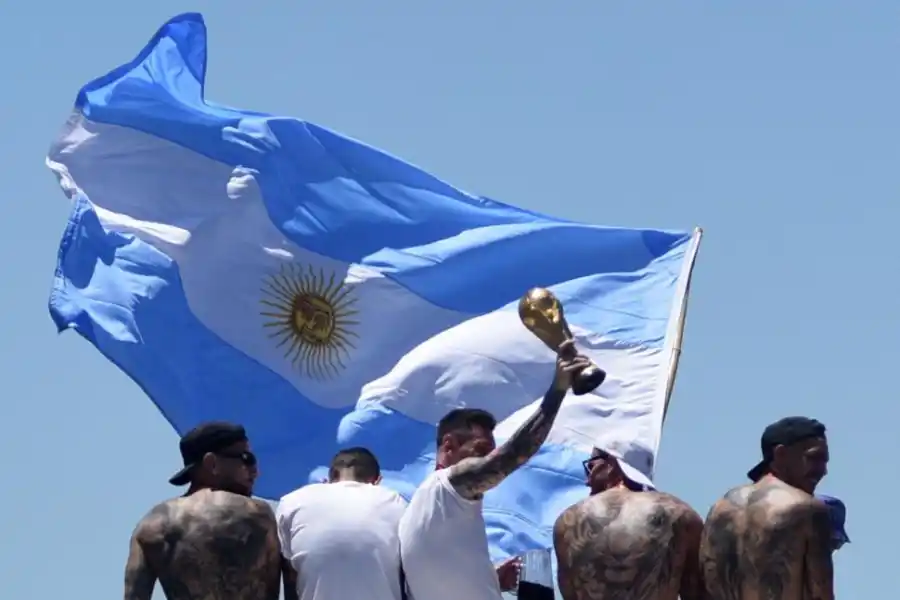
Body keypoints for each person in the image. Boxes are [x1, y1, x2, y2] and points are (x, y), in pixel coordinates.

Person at [399, 339, 592, 600]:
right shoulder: (446, 487)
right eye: (481, 451)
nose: (489, 458)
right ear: (449, 445)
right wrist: (558, 389)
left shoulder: (430, 509)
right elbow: (512, 455)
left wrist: (493, 579)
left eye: (490, 451)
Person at [123, 422, 284, 600]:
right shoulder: (258, 514)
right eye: (246, 458)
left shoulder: (152, 524)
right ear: (211, 463)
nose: (255, 471)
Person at [700, 416, 833, 600]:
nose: (823, 470)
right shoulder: (807, 510)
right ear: (780, 454)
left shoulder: (718, 510)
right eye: (814, 458)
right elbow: (821, 595)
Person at [553, 440, 704, 600]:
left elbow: (570, 593)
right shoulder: (681, 515)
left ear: (611, 464)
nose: (587, 480)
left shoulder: (569, 521)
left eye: (591, 467)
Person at [276, 447, 408, 600]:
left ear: (329, 479)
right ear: (377, 481)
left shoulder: (292, 502)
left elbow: (289, 575)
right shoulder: (396, 503)